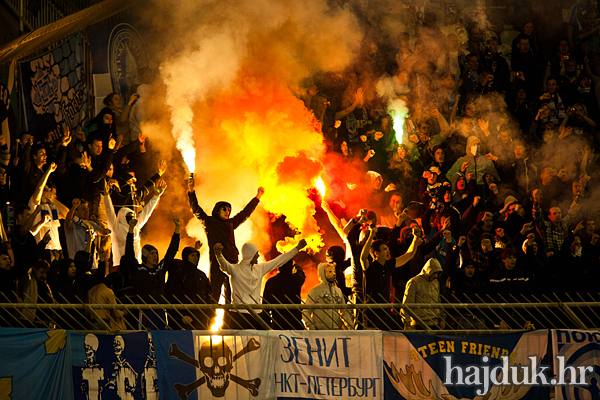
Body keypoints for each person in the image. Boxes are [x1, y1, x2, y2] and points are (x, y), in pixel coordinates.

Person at [188, 176, 264, 304]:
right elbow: (196, 210)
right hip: (217, 263)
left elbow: (245, 213)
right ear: (217, 210)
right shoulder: (210, 222)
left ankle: (229, 322)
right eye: (224, 209)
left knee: (231, 296)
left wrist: (257, 197)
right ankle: (209, 319)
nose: (227, 211)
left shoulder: (230, 223)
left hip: (232, 263)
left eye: (229, 209)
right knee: (214, 294)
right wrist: (191, 191)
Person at [214, 238, 307, 329]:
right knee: (239, 343)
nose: (258, 256)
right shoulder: (236, 270)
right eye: (256, 253)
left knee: (259, 343)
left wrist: (297, 248)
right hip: (239, 314)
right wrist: (219, 255)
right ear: (250, 255)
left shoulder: (259, 269)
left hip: (256, 313)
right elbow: (224, 266)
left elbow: (279, 260)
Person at [361, 225, 422, 329]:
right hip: (372, 312)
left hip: (386, 311)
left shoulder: (388, 264)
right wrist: (371, 236)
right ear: (376, 253)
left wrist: (416, 238)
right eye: (384, 249)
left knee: (399, 332)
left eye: (387, 249)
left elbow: (409, 255)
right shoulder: (370, 267)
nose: (388, 251)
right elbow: (362, 258)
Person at [133, 218, 180, 330]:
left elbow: (171, 252)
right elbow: (129, 253)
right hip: (146, 312)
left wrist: (177, 229)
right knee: (146, 339)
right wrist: (131, 230)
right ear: (145, 256)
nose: (155, 256)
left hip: (161, 311)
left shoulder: (160, 269)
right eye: (152, 254)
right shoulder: (139, 270)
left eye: (156, 253)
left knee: (162, 338)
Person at [166, 244, 215, 330]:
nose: (196, 258)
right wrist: (181, 316)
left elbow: (209, 295)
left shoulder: (202, 275)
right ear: (186, 257)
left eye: (197, 255)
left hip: (202, 320)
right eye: (192, 255)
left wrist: (211, 314)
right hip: (186, 321)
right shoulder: (178, 276)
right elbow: (172, 298)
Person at [303, 262, 353, 330]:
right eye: (330, 271)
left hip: (335, 332)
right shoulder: (315, 291)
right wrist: (312, 328)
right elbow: (306, 311)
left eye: (334, 271)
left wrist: (351, 328)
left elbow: (344, 312)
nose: (334, 274)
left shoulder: (338, 291)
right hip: (320, 333)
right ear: (322, 273)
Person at [401, 258, 444, 330]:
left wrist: (442, 318)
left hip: (435, 323)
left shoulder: (436, 282)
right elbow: (407, 305)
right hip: (419, 323)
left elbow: (438, 301)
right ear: (429, 271)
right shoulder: (414, 282)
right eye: (434, 273)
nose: (436, 276)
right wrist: (407, 323)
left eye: (437, 273)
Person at [263, 259, 305, 329]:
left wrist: (268, 323)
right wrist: (297, 267)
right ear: (291, 267)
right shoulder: (295, 279)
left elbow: (265, 305)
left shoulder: (271, 282)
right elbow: (301, 275)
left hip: (278, 322)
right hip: (295, 323)